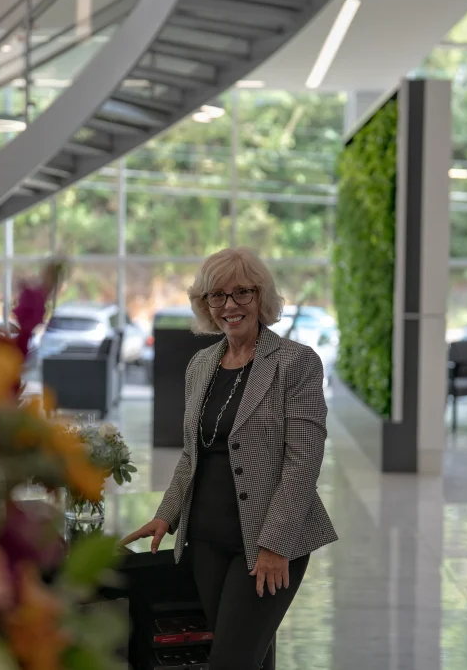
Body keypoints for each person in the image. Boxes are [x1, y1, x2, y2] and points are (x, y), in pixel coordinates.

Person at [122, 247, 337, 670]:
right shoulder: (200, 364)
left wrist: (275, 545)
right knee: (251, 653)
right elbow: (192, 455)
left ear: (261, 297)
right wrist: (167, 514)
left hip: (266, 541)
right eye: (217, 296)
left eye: (242, 292)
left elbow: (304, 462)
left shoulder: (296, 363)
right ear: (205, 305)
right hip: (206, 538)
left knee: (230, 661)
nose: (230, 305)